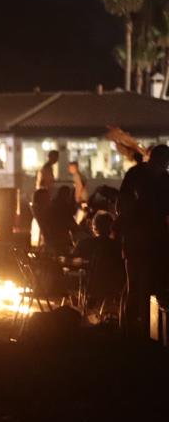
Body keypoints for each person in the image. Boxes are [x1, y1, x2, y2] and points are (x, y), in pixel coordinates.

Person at [117, 144, 169, 338]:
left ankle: (140, 329)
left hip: (149, 240)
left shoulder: (142, 175)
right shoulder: (146, 177)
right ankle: (134, 330)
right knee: (138, 286)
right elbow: (122, 205)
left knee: (142, 286)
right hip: (141, 240)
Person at [72, 211, 124, 313]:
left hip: (89, 285)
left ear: (94, 226)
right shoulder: (118, 246)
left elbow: (72, 262)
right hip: (113, 287)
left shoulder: (84, 244)